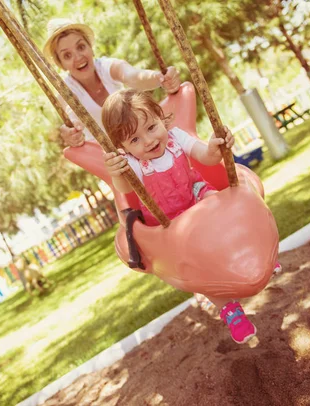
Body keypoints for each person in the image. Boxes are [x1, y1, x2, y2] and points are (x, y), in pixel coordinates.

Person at [101, 88, 257, 344]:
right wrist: (116, 172)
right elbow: (124, 187)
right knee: (199, 267)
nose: (148, 141)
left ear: (161, 118)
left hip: (195, 197)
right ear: (123, 148)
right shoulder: (135, 165)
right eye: (135, 140)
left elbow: (205, 155)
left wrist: (216, 146)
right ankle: (230, 310)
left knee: (222, 205)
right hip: (170, 224)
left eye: (151, 127)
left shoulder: (176, 138)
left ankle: (252, 253)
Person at [42, 18, 181, 147]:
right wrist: (71, 134)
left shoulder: (106, 67)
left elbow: (133, 76)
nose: (78, 57)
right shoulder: (66, 92)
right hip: (107, 158)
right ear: (61, 64)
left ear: (90, 47)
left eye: (81, 47)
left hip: (136, 144)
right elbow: (69, 125)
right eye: (67, 55)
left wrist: (159, 78)